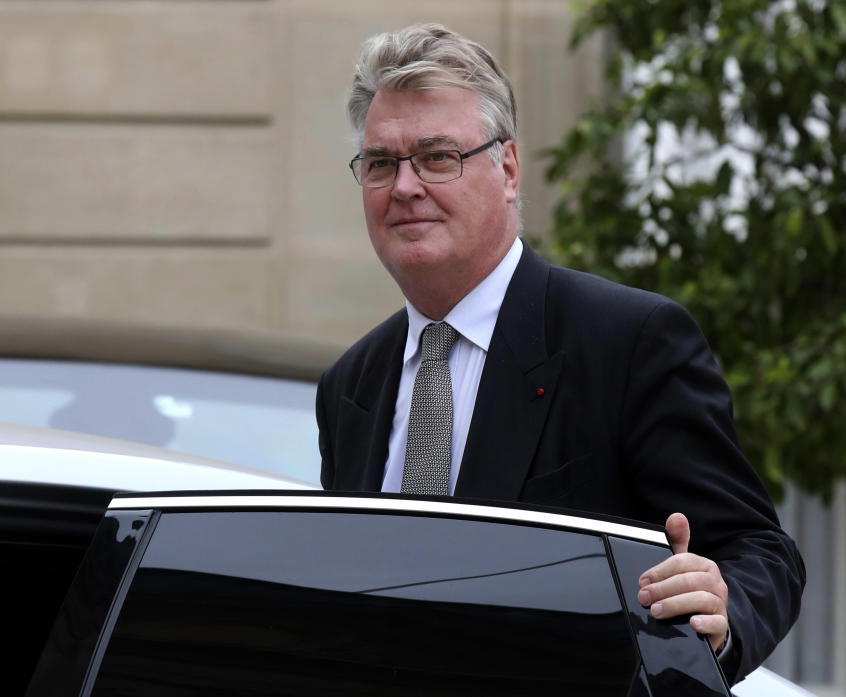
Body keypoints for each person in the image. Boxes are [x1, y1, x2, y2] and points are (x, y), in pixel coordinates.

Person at [316, 22, 804, 686]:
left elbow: (760, 550)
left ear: (508, 169)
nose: (405, 186)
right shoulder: (351, 384)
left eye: (437, 157)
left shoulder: (627, 342)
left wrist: (724, 611)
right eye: (381, 162)